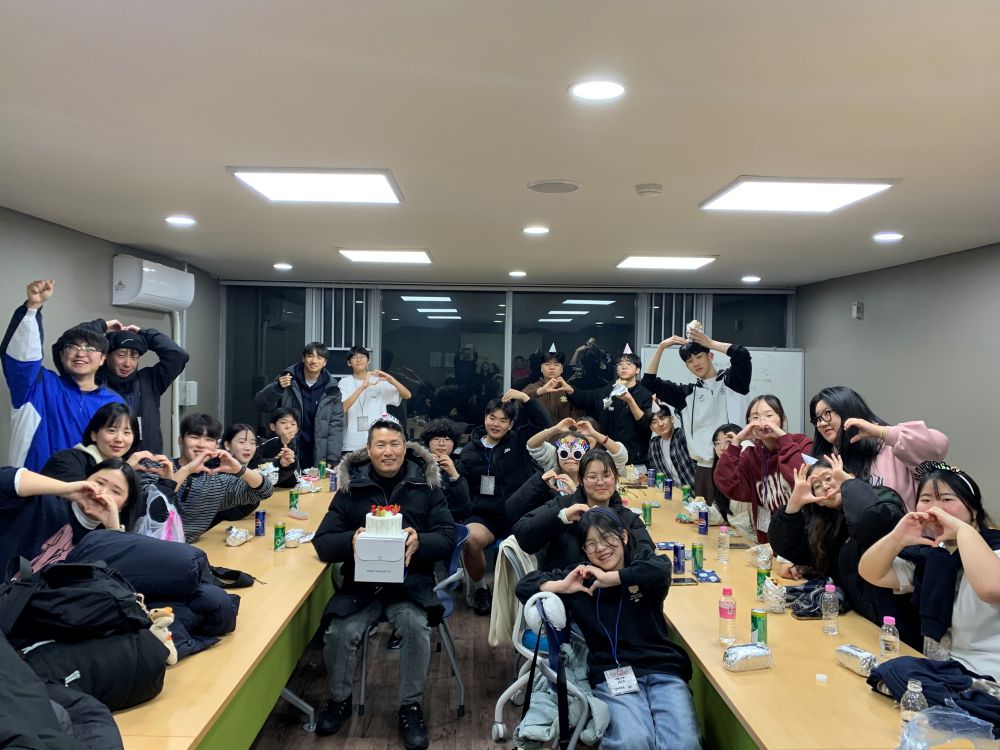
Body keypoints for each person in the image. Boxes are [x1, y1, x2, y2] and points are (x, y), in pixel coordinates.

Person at [311, 416, 455, 749]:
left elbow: (448, 537)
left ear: (405, 447)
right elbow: (322, 542)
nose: (388, 452)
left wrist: (421, 541)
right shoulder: (351, 488)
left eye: (394, 444)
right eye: (380, 445)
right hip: (361, 585)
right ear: (368, 449)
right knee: (338, 631)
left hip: (410, 584)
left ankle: (410, 707)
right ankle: (339, 699)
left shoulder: (426, 486)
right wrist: (351, 540)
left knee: (415, 629)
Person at [516, 508, 699, 750]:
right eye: (590, 544)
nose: (601, 548)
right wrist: (562, 586)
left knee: (683, 743)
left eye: (607, 538)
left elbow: (662, 568)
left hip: (662, 669)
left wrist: (613, 578)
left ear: (624, 536)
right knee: (632, 742)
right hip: (613, 672)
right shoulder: (582, 579)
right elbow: (523, 586)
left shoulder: (641, 566)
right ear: (584, 551)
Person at [859, 462, 1000, 679]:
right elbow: (871, 573)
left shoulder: (994, 549)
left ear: (973, 509)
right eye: (925, 500)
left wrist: (962, 531)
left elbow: (991, 588)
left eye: (947, 499)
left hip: (990, 676)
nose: (935, 508)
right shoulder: (933, 556)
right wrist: (897, 538)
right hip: (942, 670)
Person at [769, 457, 916, 641]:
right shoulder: (824, 525)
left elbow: (870, 523)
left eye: (829, 478)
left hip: (895, 623)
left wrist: (848, 484)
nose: (825, 486)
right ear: (819, 501)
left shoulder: (879, 498)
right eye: (817, 486)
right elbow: (786, 547)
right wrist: (794, 504)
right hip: (858, 622)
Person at [2, 280, 123, 471]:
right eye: (73, 347)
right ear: (61, 354)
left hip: (88, 488)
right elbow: (20, 358)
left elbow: (118, 450)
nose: (81, 353)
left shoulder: (114, 402)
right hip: (35, 486)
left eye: (90, 348)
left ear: (102, 359)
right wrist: (32, 308)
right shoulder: (37, 386)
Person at [457, 390, 550, 615]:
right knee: (470, 538)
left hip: (519, 513)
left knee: (543, 535)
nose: (496, 424)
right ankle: (480, 589)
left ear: (510, 425)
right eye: (492, 418)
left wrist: (526, 398)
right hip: (485, 515)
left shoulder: (519, 441)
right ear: (485, 418)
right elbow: (462, 489)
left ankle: (533, 592)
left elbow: (543, 424)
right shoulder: (469, 451)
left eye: (502, 420)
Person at [642, 330, 752, 501]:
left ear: (710, 356)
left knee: (740, 515)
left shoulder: (733, 381)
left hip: (737, 463)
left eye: (699, 356)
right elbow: (648, 382)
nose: (695, 363)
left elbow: (742, 355)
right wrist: (661, 347)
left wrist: (710, 343)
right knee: (706, 515)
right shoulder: (685, 394)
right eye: (689, 361)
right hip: (704, 469)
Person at [136, 413, 273, 543]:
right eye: (195, 437)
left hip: (188, 550)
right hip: (147, 546)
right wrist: (187, 470)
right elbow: (147, 504)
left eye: (209, 439)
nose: (201, 444)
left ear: (216, 446)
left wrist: (240, 469)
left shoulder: (218, 481)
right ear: (181, 440)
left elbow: (265, 491)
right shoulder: (158, 466)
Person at [809, 386, 949, 511]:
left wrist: (882, 432)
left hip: (905, 529)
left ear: (847, 409)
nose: (821, 424)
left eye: (827, 413)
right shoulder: (827, 462)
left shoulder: (890, 448)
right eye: (817, 419)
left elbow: (939, 446)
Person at [513, 450, 653, 572]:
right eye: (592, 477)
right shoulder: (563, 505)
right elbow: (523, 536)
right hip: (564, 588)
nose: (600, 482)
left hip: (612, 590)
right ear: (581, 480)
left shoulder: (626, 517)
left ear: (615, 478)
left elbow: (650, 561)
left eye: (606, 476)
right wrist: (562, 517)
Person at [74, 319, 189, 453]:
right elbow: (74, 339)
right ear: (106, 356)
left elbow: (178, 356)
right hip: (108, 461)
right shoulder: (92, 381)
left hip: (148, 462)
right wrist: (102, 325)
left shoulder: (150, 380)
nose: (127, 363)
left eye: (134, 357)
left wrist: (144, 333)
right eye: (121, 355)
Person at [0, 459, 142, 564]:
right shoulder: (43, 502)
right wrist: (67, 489)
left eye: (116, 491)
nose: (102, 493)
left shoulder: (105, 542)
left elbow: (115, 578)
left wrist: (113, 530)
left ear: (124, 505)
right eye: (99, 482)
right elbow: (6, 480)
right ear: (86, 479)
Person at [713, 395, 812, 543]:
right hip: (769, 539)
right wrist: (736, 442)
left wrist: (782, 438)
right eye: (755, 417)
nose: (762, 422)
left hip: (802, 536)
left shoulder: (801, 444)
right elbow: (728, 484)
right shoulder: (751, 456)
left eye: (769, 415)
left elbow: (804, 479)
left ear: (783, 419)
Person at [255, 342, 344, 470]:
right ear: (303, 358)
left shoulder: (332, 389)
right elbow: (262, 405)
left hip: (318, 450)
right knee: (287, 480)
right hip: (287, 447)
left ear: (324, 362)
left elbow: (336, 424)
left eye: (319, 357)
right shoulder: (287, 379)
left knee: (315, 481)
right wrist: (277, 387)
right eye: (310, 356)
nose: (314, 361)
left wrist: (332, 457)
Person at [564, 350, 653, 464]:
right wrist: (569, 389)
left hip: (634, 459)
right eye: (620, 364)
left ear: (637, 370)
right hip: (606, 456)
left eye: (629, 364)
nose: (624, 367)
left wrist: (630, 401)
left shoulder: (645, 394)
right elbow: (584, 397)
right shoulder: (607, 391)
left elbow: (646, 423)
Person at [338, 346, 411, 455]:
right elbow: (342, 408)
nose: (359, 360)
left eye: (362, 357)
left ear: (368, 361)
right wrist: (363, 386)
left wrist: (390, 379)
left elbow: (407, 395)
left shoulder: (379, 381)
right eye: (354, 357)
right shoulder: (344, 383)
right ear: (349, 363)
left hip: (377, 442)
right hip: (351, 442)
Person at [40, 402, 139, 481]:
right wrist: (125, 471)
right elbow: (84, 497)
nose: (119, 439)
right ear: (94, 435)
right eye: (111, 431)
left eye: (127, 433)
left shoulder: (134, 469)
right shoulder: (67, 461)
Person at [526, 416, 629, 476]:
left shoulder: (602, 460)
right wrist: (556, 429)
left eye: (590, 434)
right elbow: (532, 445)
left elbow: (621, 455)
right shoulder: (559, 455)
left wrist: (594, 433)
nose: (585, 438)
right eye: (580, 434)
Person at [418, 418, 471, 520]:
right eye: (436, 439)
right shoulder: (416, 463)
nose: (441, 443)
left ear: (454, 443)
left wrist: (454, 475)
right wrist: (425, 467)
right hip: (422, 519)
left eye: (447, 439)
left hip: (451, 520)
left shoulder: (462, 465)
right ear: (428, 442)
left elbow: (465, 510)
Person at [522, 348, 583, 422]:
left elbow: (578, 413)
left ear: (562, 369)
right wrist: (541, 390)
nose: (551, 368)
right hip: (539, 429)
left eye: (556, 364)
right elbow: (520, 400)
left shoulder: (569, 389)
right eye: (547, 364)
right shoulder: (533, 387)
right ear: (541, 368)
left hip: (564, 429)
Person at [647, 405, 696, 490]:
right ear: (651, 428)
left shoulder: (683, 435)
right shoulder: (654, 445)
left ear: (672, 419)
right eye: (654, 422)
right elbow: (657, 473)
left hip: (692, 492)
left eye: (662, 418)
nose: (660, 424)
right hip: (670, 493)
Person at [254, 408, 300, 489]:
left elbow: (292, 478)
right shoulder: (265, 443)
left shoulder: (293, 446)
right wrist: (282, 442)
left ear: (297, 430)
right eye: (283, 422)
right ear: (273, 426)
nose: (288, 426)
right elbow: (256, 462)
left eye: (293, 424)